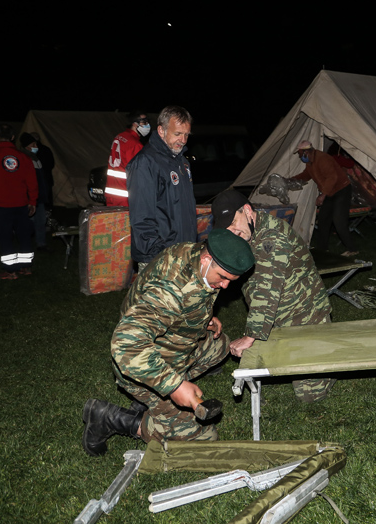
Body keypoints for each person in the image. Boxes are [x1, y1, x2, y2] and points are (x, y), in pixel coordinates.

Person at [82, 229, 255, 456]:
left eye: (231, 280)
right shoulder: (170, 291)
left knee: (220, 345)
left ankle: (151, 400)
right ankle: (111, 418)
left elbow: (187, 298)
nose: (225, 286)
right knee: (203, 439)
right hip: (143, 360)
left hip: (170, 345)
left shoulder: (191, 254)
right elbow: (126, 344)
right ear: (206, 260)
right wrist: (173, 385)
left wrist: (202, 319)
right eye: (222, 277)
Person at [212, 189, 335, 402]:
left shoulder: (272, 237)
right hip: (276, 318)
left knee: (309, 395)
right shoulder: (245, 233)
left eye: (235, 224)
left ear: (248, 211)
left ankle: (327, 357)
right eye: (227, 229)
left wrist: (251, 336)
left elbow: (265, 290)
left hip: (306, 317)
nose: (233, 233)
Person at [126, 106, 196, 270]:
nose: (183, 140)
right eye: (177, 134)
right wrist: (157, 256)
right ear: (161, 130)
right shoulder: (145, 163)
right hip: (160, 257)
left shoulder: (182, 163)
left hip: (184, 252)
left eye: (186, 135)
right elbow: (142, 217)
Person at [0, 124, 38, 279]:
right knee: (24, 235)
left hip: (0, 205)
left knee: (5, 236)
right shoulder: (24, 157)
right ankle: (26, 267)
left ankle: (10, 271)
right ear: (13, 137)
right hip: (21, 204)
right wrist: (32, 201)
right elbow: (32, 182)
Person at [289, 140, 358, 256]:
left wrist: (323, 195)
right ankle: (322, 249)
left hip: (341, 190)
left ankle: (352, 249)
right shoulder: (310, 163)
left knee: (338, 220)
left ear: (306, 152)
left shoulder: (323, 158)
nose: (300, 156)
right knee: (323, 220)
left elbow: (332, 177)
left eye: (300, 154)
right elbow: (306, 175)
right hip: (330, 192)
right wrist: (291, 180)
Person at [106, 111, 149, 207]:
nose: (147, 124)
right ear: (135, 124)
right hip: (125, 194)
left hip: (112, 190)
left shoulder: (119, 136)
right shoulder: (135, 144)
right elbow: (138, 173)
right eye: (144, 122)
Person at [19, 133, 50, 251]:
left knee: (41, 221)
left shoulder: (36, 159)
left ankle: (41, 244)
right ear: (27, 146)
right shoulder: (23, 158)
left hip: (39, 196)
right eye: (33, 144)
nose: (36, 146)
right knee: (29, 222)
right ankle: (25, 244)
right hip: (29, 197)